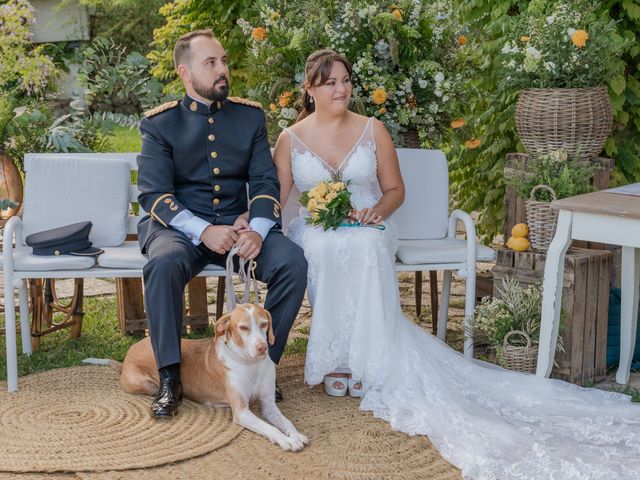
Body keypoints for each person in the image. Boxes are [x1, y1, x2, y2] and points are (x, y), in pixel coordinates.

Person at [273, 48, 640, 479]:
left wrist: (376, 214)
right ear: (310, 88)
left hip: (369, 223)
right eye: (331, 82)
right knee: (321, 248)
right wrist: (263, 229)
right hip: (317, 227)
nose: (342, 88)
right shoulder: (290, 138)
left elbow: (394, 191)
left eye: (346, 79)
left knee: (367, 249)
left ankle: (366, 360)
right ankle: (337, 359)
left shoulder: (373, 130)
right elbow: (279, 198)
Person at [137, 29, 307, 418]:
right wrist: (203, 230)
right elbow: (154, 196)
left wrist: (259, 231)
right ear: (185, 72)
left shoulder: (249, 117)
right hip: (179, 231)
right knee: (162, 265)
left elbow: (265, 181)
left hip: (239, 230)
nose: (222, 70)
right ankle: (169, 378)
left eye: (224, 61)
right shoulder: (159, 125)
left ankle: (264, 368)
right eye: (210, 63)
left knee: (292, 262)